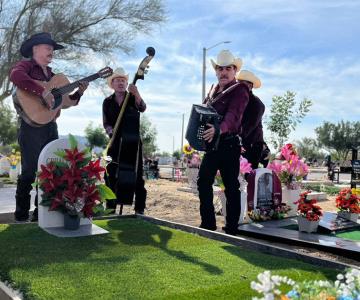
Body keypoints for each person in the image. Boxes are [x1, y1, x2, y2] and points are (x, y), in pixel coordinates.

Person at [9, 32, 88, 222]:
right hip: (30, 126)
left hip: (50, 126)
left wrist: (79, 93)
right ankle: (21, 216)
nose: (51, 51)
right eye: (48, 47)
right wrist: (41, 91)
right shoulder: (26, 66)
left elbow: (66, 102)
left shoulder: (55, 77)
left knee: (49, 171)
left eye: (52, 48)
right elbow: (15, 76)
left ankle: (41, 215)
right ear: (35, 49)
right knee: (29, 171)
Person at [197, 50, 249, 235]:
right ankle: (208, 224)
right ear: (216, 71)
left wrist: (219, 129)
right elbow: (203, 112)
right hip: (212, 146)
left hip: (229, 145)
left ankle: (232, 227)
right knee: (203, 181)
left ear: (235, 70)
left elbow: (233, 116)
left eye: (228, 68)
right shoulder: (212, 89)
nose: (224, 72)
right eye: (220, 68)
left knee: (230, 186)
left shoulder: (240, 89)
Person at [102, 67, 147, 214]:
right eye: (117, 80)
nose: (121, 83)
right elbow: (106, 122)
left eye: (123, 80)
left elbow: (143, 107)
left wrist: (137, 94)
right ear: (112, 84)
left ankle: (139, 209)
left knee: (137, 175)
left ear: (127, 83)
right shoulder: (107, 102)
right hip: (114, 142)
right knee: (109, 174)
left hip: (133, 144)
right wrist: (110, 131)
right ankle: (110, 207)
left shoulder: (132, 98)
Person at [236, 70, 265, 170]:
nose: (239, 87)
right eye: (238, 84)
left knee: (249, 177)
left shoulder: (257, 104)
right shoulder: (237, 101)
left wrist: (234, 140)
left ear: (250, 86)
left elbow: (249, 126)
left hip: (252, 146)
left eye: (243, 84)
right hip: (239, 143)